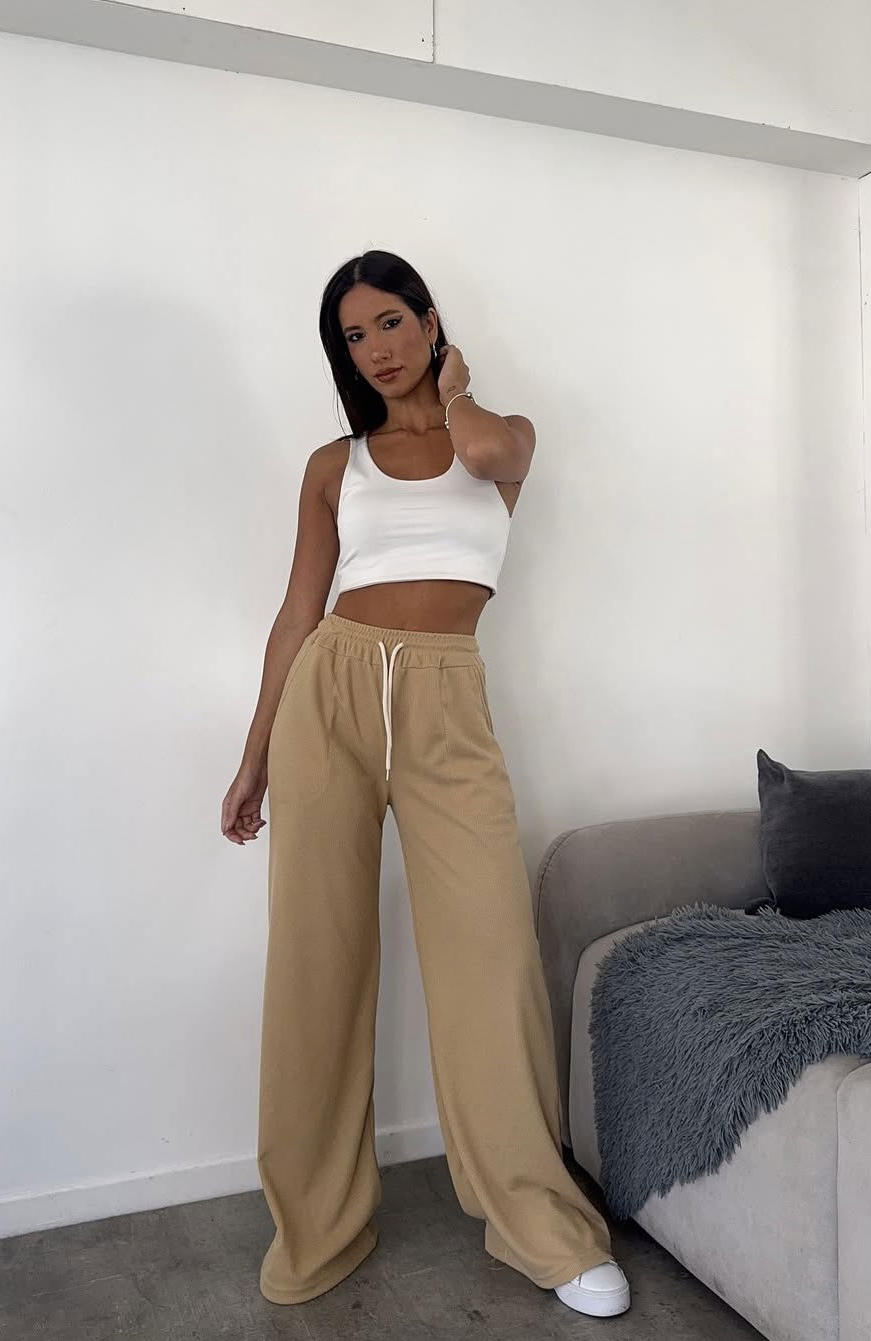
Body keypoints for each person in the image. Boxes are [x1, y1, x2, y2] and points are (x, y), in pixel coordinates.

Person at [220, 249, 630, 1320]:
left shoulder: (500, 438)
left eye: (391, 322)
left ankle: (536, 1221)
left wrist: (454, 388)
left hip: (449, 702)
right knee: (317, 960)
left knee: (490, 960)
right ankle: (317, 1225)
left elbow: (484, 449)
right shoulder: (333, 464)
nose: (376, 349)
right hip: (332, 694)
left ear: (430, 320)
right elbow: (296, 613)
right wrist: (255, 754)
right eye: (353, 337)